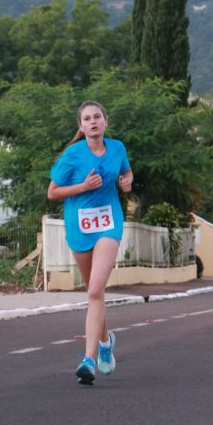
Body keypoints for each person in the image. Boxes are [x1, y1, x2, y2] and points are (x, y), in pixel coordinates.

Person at [48, 101, 133, 386]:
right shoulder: (72, 155)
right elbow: (53, 192)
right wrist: (83, 187)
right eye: (87, 118)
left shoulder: (117, 148)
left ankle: (89, 360)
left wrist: (127, 182)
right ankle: (106, 342)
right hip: (80, 228)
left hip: (109, 224)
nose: (93, 121)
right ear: (81, 126)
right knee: (94, 293)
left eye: (97, 116)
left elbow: (126, 172)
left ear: (105, 122)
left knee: (96, 290)